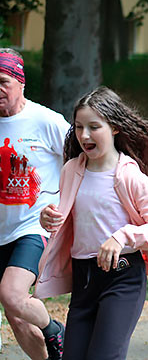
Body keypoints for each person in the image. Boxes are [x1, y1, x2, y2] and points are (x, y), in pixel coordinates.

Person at [35, 86, 148, 360]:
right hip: (84, 278)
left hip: (122, 278)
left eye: (94, 127)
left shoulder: (129, 176)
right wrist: (48, 218)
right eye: (79, 127)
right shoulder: (72, 170)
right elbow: (69, 218)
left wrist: (123, 237)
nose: (84, 135)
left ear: (115, 128)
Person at [0, 48, 69, 360]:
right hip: (2, 228)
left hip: (33, 225)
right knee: (16, 314)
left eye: (3, 82)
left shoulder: (45, 121)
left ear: (20, 83)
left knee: (12, 295)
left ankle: (54, 329)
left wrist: (66, 208)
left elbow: (83, 160)